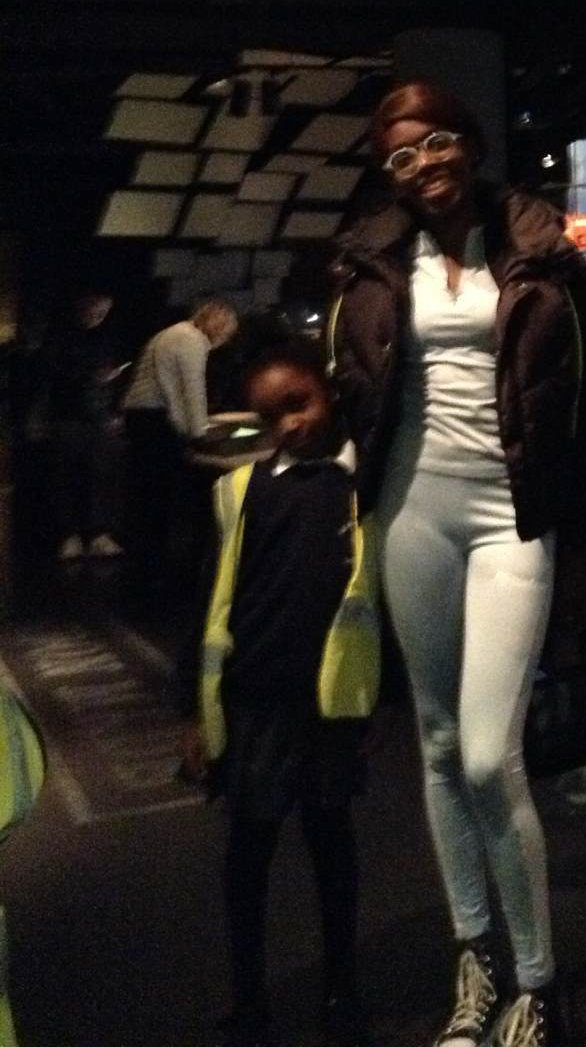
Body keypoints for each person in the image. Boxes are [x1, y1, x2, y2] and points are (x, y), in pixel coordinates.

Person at [328, 80, 586, 1047]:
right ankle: (476, 959)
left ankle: (536, 981)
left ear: (470, 142)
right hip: (412, 510)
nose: (425, 165)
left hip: (512, 513)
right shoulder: (373, 264)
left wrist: (583, 531)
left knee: (493, 755)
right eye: (402, 155)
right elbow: (360, 386)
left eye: (438, 142)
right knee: (439, 744)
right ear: (388, 173)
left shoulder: (542, 251)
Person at [178, 339, 380, 1047]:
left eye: (299, 403)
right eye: (272, 417)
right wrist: (193, 712)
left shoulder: (362, 487)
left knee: (332, 848)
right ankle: (248, 998)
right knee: (248, 856)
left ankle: (342, 989)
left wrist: (380, 704)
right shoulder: (242, 492)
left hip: (329, 705)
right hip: (255, 700)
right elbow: (209, 600)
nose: (290, 424)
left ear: (328, 389)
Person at [122, 298, 239, 604]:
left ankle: (147, 565)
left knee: (147, 496)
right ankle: (158, 569)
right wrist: (199, 432)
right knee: (159, 495)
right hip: (152, 419)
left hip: (140, 415)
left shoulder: (174, 332)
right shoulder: (191, 340)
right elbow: (191, 388)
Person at [36, 291, 125, 560]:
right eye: (95, 312)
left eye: (103, 314)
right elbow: (49, 374)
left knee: (98, 476)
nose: (98, 318)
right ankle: (69, 534)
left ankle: (97, 534)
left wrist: (113, 408)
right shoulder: (59, 337)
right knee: (66, 475)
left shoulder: (104, 338)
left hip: (97, 415)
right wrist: (89, 376)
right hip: (67, 415)